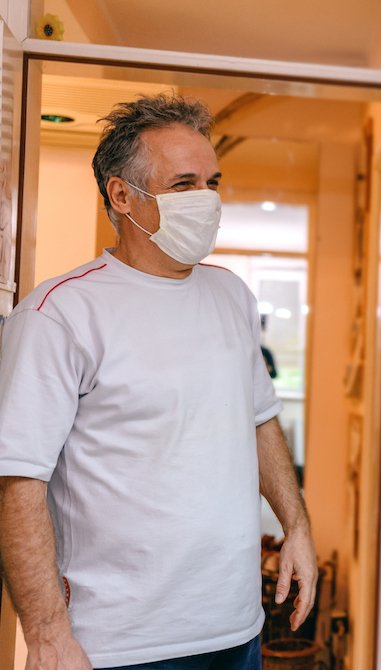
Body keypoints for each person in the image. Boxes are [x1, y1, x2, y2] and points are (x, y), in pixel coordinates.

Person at [0, 94, 318, 669]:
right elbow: (17, 483)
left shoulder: (231, 296)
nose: (207, 200)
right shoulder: (60, 313)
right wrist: (45, 633)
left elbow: (260, 418)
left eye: (212, 182)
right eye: (184, 184)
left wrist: (297, 526)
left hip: (236, 628)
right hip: (120, 643)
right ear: (122, 195)